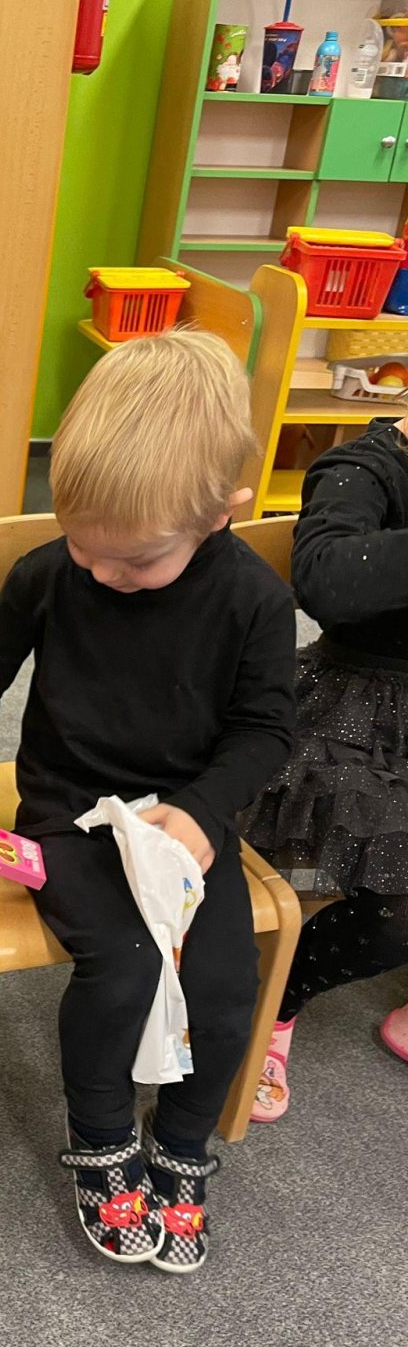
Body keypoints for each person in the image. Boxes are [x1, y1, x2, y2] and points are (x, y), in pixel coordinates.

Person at [0, 331, 295, 1275]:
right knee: (125, 967)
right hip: (68, 809)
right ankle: (103, 1136)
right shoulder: (51, 573)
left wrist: (203, 811)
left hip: (184, 823)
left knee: (224, 985)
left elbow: (266, 731)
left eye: (136, 560)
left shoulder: (253, 601)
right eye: (83, 546)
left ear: (222, 514)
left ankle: (181, 1142)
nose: (103, 574)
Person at [245, 417, 408, 1122]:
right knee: (358, 890)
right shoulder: (366, 467)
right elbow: (327, 580)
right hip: (356, 709)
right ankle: (276, 999)